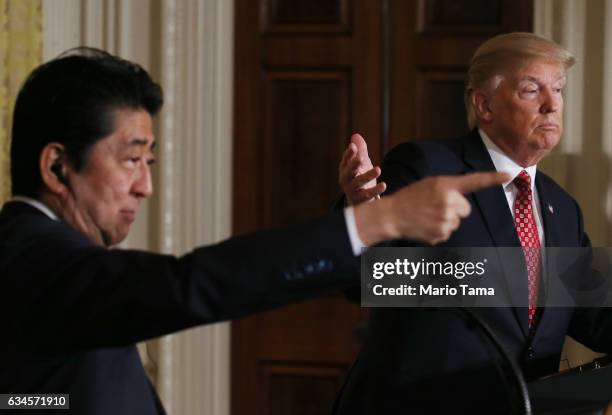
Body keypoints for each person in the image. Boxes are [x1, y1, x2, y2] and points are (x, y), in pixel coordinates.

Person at [0, 48, 507, 414]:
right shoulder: (30, 256)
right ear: (57, 167)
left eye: (149, 161)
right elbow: (192, 283)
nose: (145, 186)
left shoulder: (562, 209)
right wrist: (380, 220)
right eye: (132, 159)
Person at [334, 32, 612, 414]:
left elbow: (595, 315)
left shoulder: (563, 208)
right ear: (485, 105)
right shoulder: (429, 167)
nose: (551, 106)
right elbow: (370, 278)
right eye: (532, 90)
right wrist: (365, 212)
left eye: (559, 90)